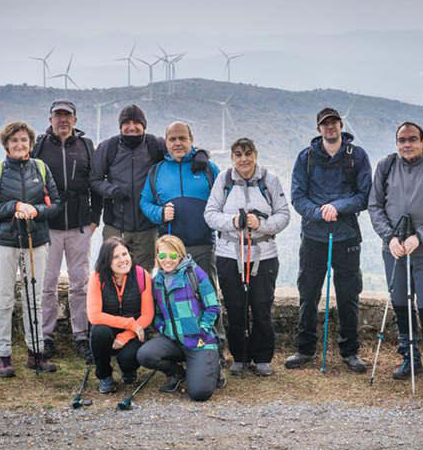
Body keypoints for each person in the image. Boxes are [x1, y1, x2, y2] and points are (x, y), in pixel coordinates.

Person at [368, 122, 423, 386]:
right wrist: (390, 237)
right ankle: (409, 356)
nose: (407, 144)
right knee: (401, 305)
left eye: (412, 139)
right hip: (394, 250)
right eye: (402, 140)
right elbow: (375, 206)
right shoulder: (386, 166)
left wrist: (422, 236)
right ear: (396, 143)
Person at [286, 107, 372, 372]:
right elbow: (298, 196)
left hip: (346, 236)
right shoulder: (306, 157)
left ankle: (350, 351)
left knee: (348, 295)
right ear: (318, 128)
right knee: (308, 293)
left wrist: (338, 207)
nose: (330, 127)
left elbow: (364, 195)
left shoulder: (356, 156)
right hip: (313, 236)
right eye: (325, 124)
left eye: (334, 122)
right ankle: (305, 349)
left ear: (341, 125)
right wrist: (319, 213)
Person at [204, 137, 291, 377]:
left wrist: (261, 224)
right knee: (234, 307)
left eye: (248, 153)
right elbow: (210, 214)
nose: (244, 159)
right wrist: (233, 221)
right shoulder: (223, 180)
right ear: (233, 157)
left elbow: (284, 215)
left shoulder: (269, 180)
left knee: (262, 306)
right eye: (238, 154)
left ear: (256, 154)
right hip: (229, 254)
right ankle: (240, 357)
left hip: (263, 255)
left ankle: (263, 358)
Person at [0, 121, 61, 377]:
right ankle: (3, 356)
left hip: (35, 241)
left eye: (24, 140)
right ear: (6, 144)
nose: (19, 144)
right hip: (3, 243)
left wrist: (36, 210)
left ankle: (35, 353)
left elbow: (56, 205)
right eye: (14, 140)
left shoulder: (41, 168)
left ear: (30, 143)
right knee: (3, 300)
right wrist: (15, 206)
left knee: (34, 300)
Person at [139, 121, 225, 357]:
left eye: (182, 138)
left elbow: (223, 201)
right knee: (171, 297)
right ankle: (177, 345)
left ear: (191, 139)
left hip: (202, 244)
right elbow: (145, 202)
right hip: (170, 250)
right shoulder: (157, 171)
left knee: (207, 295)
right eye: (172, 139)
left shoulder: (209, 169)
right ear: (166, 143)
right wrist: (159, 213)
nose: (177, 143)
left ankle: (215, 346)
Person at [33, 99, 102, 361]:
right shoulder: (39, 146)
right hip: (48, 225)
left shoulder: (86, 146)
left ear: (75, 119)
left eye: (67, 116)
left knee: (80, 284)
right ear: (50, 118)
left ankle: (81, 335)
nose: (62, 120)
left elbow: (95, 183)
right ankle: (46, 336)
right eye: (57, 115)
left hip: (79, 224)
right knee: (47, 284)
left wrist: (95, 218)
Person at [136, 235, 222, 402]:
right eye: (162, 256)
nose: (167, 260)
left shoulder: (195, 274)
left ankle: (213, 366)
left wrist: (202, 331)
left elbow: (213, 306)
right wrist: (164, 329)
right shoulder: (157, 282)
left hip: (200, 341)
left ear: (181, 255)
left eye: (173, 255)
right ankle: (177, 373)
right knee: (145, 355)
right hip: (174, 340)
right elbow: (157, 314)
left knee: (199, 393)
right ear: (157, 257)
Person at [89, 104, 166, 271]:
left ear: (144, 125)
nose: (131, 127)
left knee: (144, 275)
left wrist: (201, 154)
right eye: (126, 123)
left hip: (147, 226)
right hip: (115, 225)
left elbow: (181, 149)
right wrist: (112, 191)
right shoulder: (108, 147)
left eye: (136, 122)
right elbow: (94, 180)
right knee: (113, 272)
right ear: (120, 126)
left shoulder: (155, 145)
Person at [87, 237, 154, 393]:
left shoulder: (141, 275)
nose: (123, 260)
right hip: (109, 330)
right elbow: (94, 316)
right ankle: (104, 375)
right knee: (99, 332)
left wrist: (126, 335)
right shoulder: (97, 277)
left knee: (127, 359)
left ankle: (128, 370)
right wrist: (129, 323)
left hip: (133, 333)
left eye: (125, 254)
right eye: (115, 257)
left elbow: (147, 315)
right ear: (106, 261)